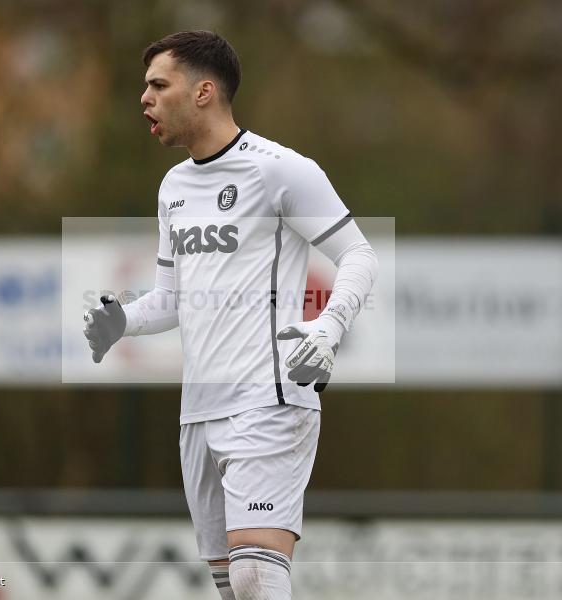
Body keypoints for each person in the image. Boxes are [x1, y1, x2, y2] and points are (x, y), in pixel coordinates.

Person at [84, 31, 378, 600]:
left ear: (203, 92)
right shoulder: (173, 187)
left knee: (255, 576)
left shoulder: (280, 170)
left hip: (269, 400)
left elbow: (359, 255)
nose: (144, 98)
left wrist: (328, 328)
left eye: (158, 85)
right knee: (232, 586)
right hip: (199, 413)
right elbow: (170, 299)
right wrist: (123, 321)